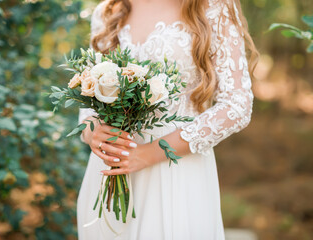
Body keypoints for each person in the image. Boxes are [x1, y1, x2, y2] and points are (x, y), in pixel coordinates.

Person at [77, 0, 259, 239]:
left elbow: (237, 105)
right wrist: (92, 130)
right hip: (109, 175)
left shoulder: (213, 6)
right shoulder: (108, 11)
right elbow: (88, 99)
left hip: (176, 171)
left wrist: (149, 153)